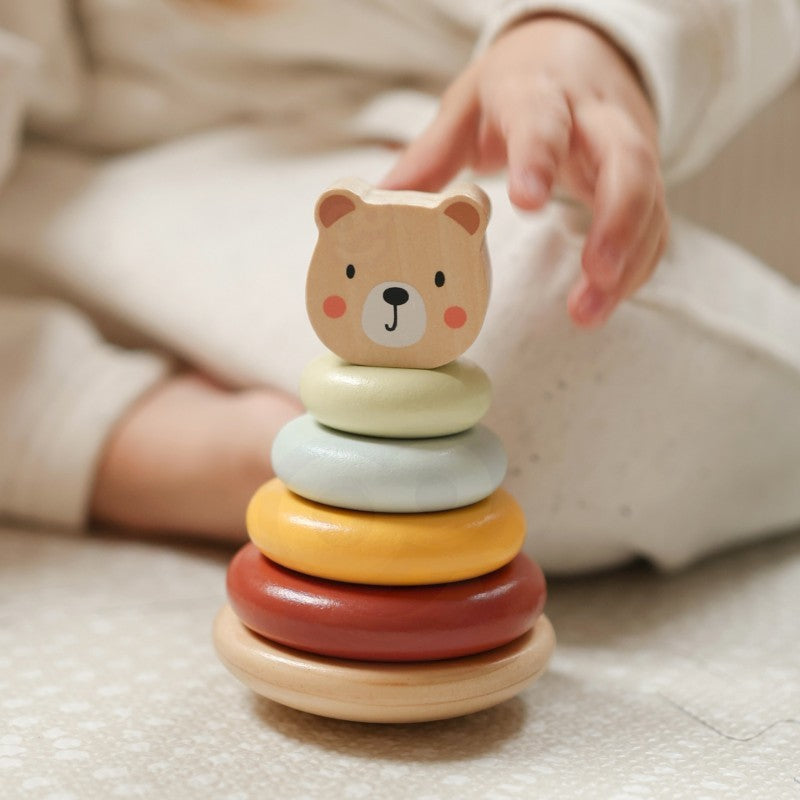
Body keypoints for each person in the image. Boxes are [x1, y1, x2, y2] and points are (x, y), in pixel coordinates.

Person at [0, 0, 798, 572]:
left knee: (530, 356)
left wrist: (586, 34)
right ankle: (150, 444)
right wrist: (97, 431)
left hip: (443, 145)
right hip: (83, 195)